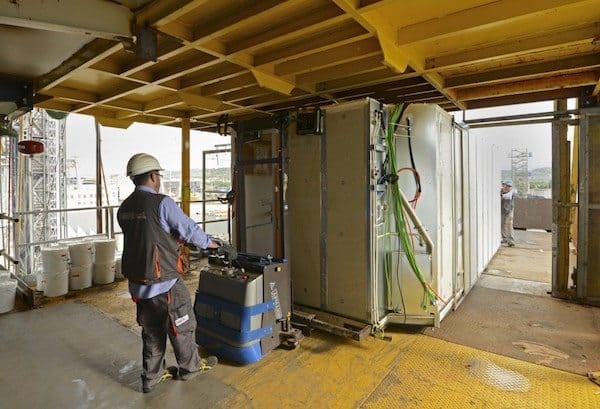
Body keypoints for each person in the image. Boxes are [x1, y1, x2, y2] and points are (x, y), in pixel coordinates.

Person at [117, 153, 219, 393]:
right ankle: (190, 369)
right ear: (153, 176)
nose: (159, 179)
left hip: (138, 284)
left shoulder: (124, 207)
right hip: (165, 282)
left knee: (151, 330)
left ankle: (151, 377)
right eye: (158, 175)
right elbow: (188, 229)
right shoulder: (162, 202)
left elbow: (147, 235)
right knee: (182, 323)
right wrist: (209, 243)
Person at [501, 180, 515, 247]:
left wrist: (501, 195)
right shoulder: (500, 191)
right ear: (503, 185)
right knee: (502, 224)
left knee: (509, 225)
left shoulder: (511, 192)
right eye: (506, 185)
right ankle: (504, 238)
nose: (507, 187)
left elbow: (507, 197)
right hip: (502, 210)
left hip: (509, 210)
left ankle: (511, 241)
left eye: (509, 186)